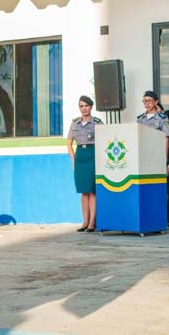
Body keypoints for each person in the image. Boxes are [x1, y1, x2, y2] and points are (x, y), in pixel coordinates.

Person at [66, 95, 103, 232]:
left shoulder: (97, 123)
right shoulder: (75, 123)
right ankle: (85, 221)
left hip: (92, 156)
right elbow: (69, 142)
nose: (84, 108)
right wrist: (73, 160)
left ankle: (92, 222)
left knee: (92, 190)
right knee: (83, 191)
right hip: (80, 157)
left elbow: (105, 140)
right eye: (81, 106)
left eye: (86, 105)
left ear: (91, 107)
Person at [137, 91, 169, 174]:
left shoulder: (162, 118)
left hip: (158, 155)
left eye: (149, 100)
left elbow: (168, 139)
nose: (147, 103)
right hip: (143, 157)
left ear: (156, 102)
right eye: (145, 101)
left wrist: (168, 161)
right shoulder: (140, 119)